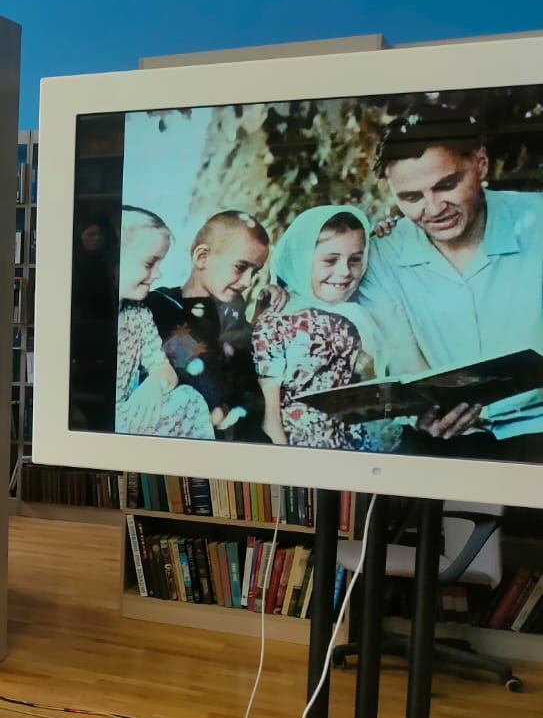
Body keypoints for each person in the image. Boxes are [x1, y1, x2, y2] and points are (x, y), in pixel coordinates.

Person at [358, 110, 543, 460]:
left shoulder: (538, 221)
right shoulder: (380, 254)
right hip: (443, 439)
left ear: (481, 165)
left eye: (446, 185)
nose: (434, 208)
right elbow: (402, 359)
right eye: (411, 197)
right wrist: (426, 413)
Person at [253, 206, 387, 449]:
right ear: (300, 260)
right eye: (330, 260)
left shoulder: (358, 313)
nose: (344, 272)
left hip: (351, 443)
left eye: (355, 260)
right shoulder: (277, 318)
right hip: (299, 449)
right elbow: (270, 416)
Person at [143, 210, 273, 442]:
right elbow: (202, 378)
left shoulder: (233, 318)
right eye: (240, 267)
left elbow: (248, 389)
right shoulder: (158, 308)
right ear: (202, 257)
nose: (247, 282)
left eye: (255, 272)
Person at [114, 206, 213, 438]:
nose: (158, 274)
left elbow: (165, 368)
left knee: (189, 397)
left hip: (131, 416)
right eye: (150, 264)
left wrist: (156, 384)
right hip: (100, 426)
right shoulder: (82, 315)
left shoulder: (140, 313)